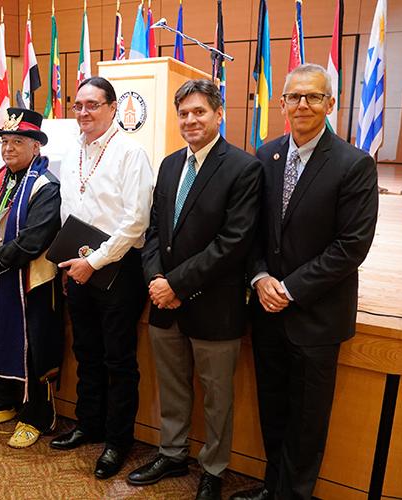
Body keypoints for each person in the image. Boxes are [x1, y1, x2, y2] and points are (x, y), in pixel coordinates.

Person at [230, 64, 379, 500]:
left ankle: (292, 495)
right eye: (294, 97)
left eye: (313, 97)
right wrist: (259, 277)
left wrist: (289, 288)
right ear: (282, 104)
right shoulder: (265, 155)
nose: (303, 105)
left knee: (308, 420)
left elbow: (350, 246)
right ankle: (273, 486)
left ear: (330, 104)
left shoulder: (354, 164)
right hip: (265, 309)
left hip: (315, 315)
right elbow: (250, 231)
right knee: (273, 409)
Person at [132, 79, 262, 499]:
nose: (190, 120)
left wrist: (176, 284)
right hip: (164, 301)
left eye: (199, 112)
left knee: (217, 398)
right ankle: (171, 454)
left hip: (213, 304)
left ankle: (213, 468)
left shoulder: (243, 168)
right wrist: (155, 279)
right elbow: (153, 230)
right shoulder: (170, 164)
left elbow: (233, 243)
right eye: (184, 113)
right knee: (172, 386)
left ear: (219, 114)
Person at [50, 76, 154, 480]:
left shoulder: (130, 152)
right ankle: (88, 423)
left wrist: (94, 260)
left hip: (117, 266)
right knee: (87, 351)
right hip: (77, 265)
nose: (84, 113)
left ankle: (117, 440)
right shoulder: (73, 148)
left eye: (92, 105)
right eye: (78, 106)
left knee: (119, 358)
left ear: (113, 108)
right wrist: (73, 260)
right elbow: (68, 206)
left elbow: (136, 222)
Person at [0, 108, 63, 448]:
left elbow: (33, 241)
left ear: (36, 147)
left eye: (18, 141)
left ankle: (36, 416)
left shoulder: (45, 186)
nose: (8, 148)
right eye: (5, 141)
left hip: (29, 282)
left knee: (33, 348)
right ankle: (2, 404)